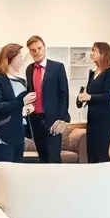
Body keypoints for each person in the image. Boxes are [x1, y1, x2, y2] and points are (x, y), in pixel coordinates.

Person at [0, 43, 36, 165]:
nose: (22, 60)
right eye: (20, 57)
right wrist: (22, 102)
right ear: (10, 57)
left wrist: (29, 107)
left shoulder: (22, 80)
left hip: (19, 132)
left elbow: (22, 106)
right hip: (3, 133)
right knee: (4, 173)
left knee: (16, 172)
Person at [24, 35, 70, 163]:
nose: (37, 52)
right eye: (33, 50)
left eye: (39, 48)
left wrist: (62, 118)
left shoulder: (57, 67)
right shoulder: (29, 69)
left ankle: (57, 183)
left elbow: (64, 94)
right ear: (29, 51)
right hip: (35, 120)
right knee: (43, 158)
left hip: (53, 120)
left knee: (54, 159)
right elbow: (29, 93)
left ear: (44, 47)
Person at [75, 42, 110, 163]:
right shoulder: (92, 73)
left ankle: (109, 178)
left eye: (95, 51)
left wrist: (89, 97)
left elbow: (107, 96)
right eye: (92, 50)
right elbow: (88, 94)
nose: (92, 53)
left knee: (101, 154)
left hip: (106, 118)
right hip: (92, 118)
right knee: (91, 154)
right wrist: (81, 98)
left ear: (104, 54)